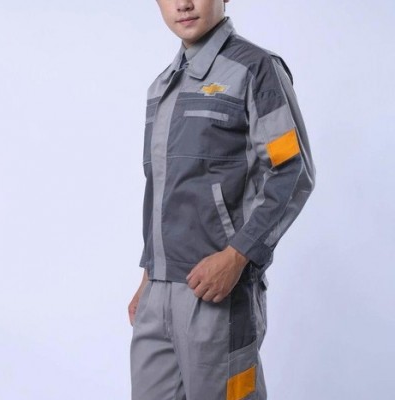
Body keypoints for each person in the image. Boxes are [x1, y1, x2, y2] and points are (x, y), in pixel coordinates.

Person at [128, 1, 316, 399]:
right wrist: (149, 276)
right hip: (157, 295)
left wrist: (236, 256)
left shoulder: (255, 69)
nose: (183, 4)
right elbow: (162, 191)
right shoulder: (162, 86)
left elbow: (292, 172)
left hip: (217, 292)